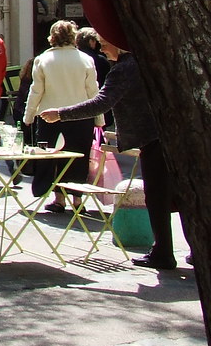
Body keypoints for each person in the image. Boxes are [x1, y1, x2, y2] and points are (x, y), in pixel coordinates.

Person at [40, 35, 184, 270]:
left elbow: (101, 103)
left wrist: (61, 113)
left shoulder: (125, 68)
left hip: (153, 138)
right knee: (178, 197)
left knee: (158, 197)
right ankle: (186, 252)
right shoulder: (145, 62)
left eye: (105, 42)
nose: (102, 47)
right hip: (167, 136)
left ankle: (163, 253)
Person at [23, 20, 100, 211]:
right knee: (79, 158)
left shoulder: (43, 59)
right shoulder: (85, 60)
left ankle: (59, 199)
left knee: (53, 157)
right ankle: (77, 200)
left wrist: (29, 115)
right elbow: (93, 91)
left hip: (51, 116)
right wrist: (99, 118)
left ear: (52, 37)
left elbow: (36, 91)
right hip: (81, 116)